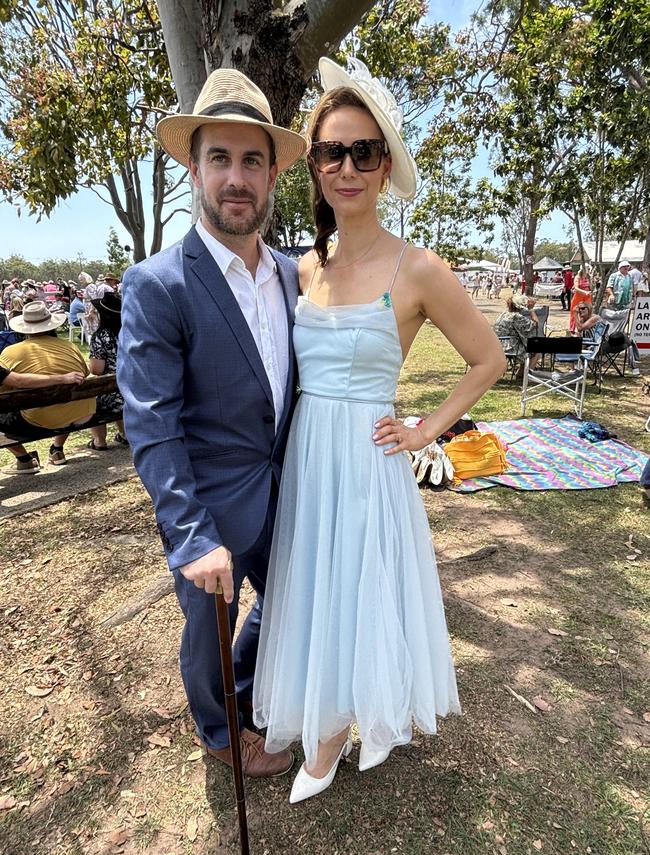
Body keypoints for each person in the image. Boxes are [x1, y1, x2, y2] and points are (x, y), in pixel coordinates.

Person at [252, 57, 505, 804]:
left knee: (362, 589)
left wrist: (427, 429)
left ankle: (336, 736)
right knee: (317, 586)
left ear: (384, 163)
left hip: (369, 456)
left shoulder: (420, 267)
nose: (347, 166)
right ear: (317, 165)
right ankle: (325, 721)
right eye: (332, 151)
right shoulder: (302, 269)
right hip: (309, 457)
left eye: (364, 151)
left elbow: (486, 358)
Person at [117, 68, 308, 778]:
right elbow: (152, 424)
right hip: (209, 505)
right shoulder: (157, 284)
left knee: (288, 605)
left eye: (252, 160)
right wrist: (191, 536)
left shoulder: (295, 276)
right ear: (193, 168)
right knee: (208, 630)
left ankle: (250, 690)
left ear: (272, 174)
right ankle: (217, 730)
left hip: (286, 490)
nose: (236, 177)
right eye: (219, 158)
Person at [0, 301, 93, 473]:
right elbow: (85, 374)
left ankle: (24, 459)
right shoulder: (70, 346)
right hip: (82, 414)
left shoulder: (9, 353)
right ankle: (57, 449)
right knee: (64, 400)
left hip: (39, 420)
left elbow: (5, 389)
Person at [86, 294, 128, 449]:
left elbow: (97, 370)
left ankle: (99, 440)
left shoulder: (101, 336)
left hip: (113, 394)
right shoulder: (132, 332)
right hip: (135, 389)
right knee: (115, 392)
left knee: (91, 397)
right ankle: (125, 434)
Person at [492, 293, 538, 377]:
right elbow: (535, 323)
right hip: (509, 347)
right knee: (535, 349)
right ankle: (528, 377)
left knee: (525, 346)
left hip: (496, 345)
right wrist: (531, 309)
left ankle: (520, 374)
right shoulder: (516, 317)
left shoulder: (503, 314)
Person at [570, 266, 592, 332]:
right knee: (575, 312)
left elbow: (590, 287)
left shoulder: (588, 277)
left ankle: (585, 328)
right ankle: (573, 329)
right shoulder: (578, 277)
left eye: (588, 269)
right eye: (587, 269)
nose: (588, 270)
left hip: (587, 297)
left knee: (587, 313)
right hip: (578, 297)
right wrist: (584, 292)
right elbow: (576, 288)